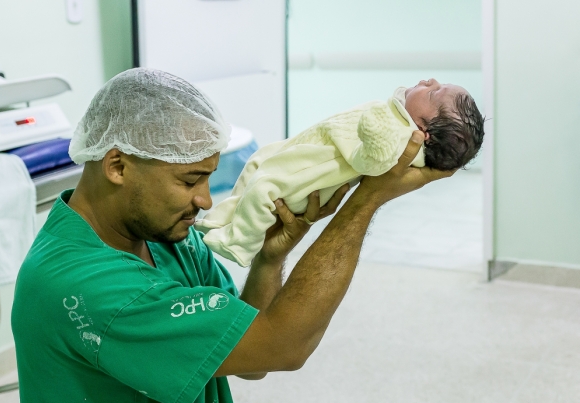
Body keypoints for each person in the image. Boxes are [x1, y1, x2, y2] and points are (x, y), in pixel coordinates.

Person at [11, 68, 455, 403]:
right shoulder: (86, 286)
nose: (205, 200)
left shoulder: (167, 241)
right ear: (117, 165)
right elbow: (282, 347)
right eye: (189, 181)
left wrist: (270, 259)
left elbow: (250, 361)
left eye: (207, 178)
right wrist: (365, 202)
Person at [196, 79, 484, 266]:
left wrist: (375, 139)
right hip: (304, 151)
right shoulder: (400, 118)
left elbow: (374, 162)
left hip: (311, 172)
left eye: (433, 92)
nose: (429, 81)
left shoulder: (403, 138)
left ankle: (240, 243)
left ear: (424, 131)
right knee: (257, 161)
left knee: (263, 188)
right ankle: (223, 218)